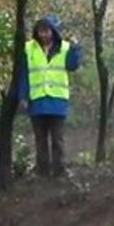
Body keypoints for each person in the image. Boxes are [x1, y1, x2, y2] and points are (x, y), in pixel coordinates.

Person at [18, 15, 83, 178]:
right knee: (40, 139)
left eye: (47, 31)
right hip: (37, 99)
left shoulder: (65, 48)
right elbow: (24, 75)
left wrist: (76, 49)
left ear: (54, 31)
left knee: (57, 138)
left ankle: (60, 170)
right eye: (40, 31)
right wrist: (23, 97)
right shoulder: (28, 48)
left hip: (57, 100)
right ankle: (42, 171)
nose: (44, 35)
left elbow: (73, 66)